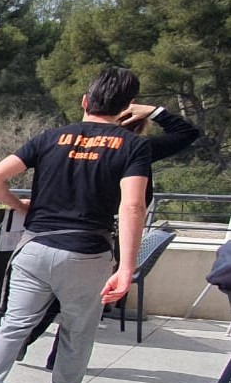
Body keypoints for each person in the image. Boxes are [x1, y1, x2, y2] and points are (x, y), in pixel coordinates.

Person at [0, 67, 152, 383]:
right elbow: (133, 206)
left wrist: (20, 205)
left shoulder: (50, 137)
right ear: (126, 108)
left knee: (13, 327)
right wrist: (126, 268)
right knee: (77, 330)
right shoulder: (133, 146)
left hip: (35, 247)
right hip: (87, 254)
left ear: (85, 101)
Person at [17, 101, 201, 366]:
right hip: (101, 239)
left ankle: (26, 344)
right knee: (81, 308)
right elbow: (187, 133)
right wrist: (154, 111)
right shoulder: (136, 148)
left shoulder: (81, 144)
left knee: (57, 299)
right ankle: (57, 361)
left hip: (60, 234)